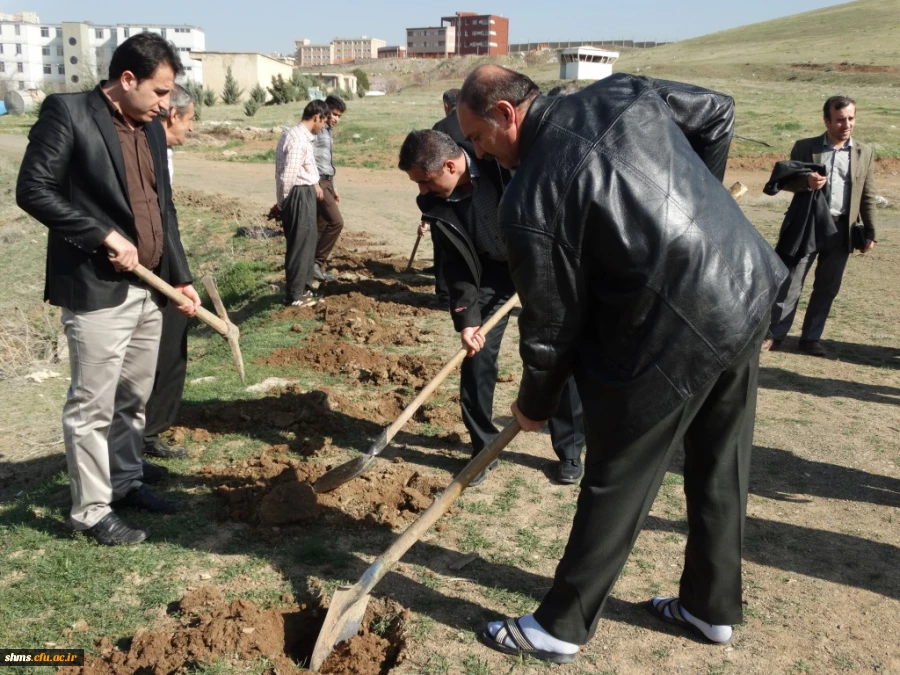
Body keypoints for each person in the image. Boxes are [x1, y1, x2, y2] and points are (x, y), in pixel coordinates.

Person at [456, 65, 787, 662]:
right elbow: (718, 110)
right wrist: (699, 215)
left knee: (615, 473)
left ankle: (559, 627)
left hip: (676, 329)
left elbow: (551, 331)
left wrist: (535, 406)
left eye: (477, 137)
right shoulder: (620, 91)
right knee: (720, 458)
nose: (479, 153)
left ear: (506, 114)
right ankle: (710, 610)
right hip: (741, 286)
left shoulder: (530, 196)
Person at [16, 33, 200, 546]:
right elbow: (33, 189)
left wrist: (179, 276)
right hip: (95, 287)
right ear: (126, 80)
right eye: (161, 92)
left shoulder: (153, 132)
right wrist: (101, 235)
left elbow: (163, 208)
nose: (167, 105)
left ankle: (124, 480)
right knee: (92, 404)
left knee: (133, 396)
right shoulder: (68, 113)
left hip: (149, 286)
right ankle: (91, 511)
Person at [399, 130, 586, 486]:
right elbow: (454, 265)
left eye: (425, 181)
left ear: (451, 166)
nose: (421, 191)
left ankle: (570, 449)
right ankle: (483, 450)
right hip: (493, 273)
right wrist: (467, 320)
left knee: (556, 355)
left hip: (541, 265)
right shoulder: (435, 203)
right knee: (476, 358)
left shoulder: (501, 162)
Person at [762, 96, 877, 357]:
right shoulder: (805, 147)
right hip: (807, 226)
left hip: (842, 230)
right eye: (840, 120)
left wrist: (871, 232)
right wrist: (806, 182)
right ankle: (774, 335)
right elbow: (784, 182)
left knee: (827, 286)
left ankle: (810, 339)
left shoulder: (864, 152)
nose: (846, 125)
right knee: (790, 283)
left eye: (851, 118)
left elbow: (867, 194)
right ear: (826, 120)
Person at [141, 84, 196, 468]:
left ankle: (148, 431)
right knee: (159, 347)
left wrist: (181, 275)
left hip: (161, 259)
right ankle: (145, 432)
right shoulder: (147, 142)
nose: (190, 129)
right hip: (139, 261)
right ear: (172, 114)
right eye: (190, 120)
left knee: (171, 338)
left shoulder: (163, 149)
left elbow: (168, 215)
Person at [275, 99, 329, 307]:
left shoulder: (301, 137)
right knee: (299, 245)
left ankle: (304, 288)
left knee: (307, 242)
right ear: (316, 117)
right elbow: (288, 175)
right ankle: (295, 296)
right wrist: (284, 202)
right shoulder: (297, 139)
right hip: (297, 194)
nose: (323, 126)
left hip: (303, 193)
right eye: (323, 122)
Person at [420, 88, 464, 310]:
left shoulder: (440, 128)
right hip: (469, 194)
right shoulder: (471, 124)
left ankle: (445, 296)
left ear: (447, 105)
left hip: (443, 196)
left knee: (443, 246)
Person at [312, 94, 346, 283]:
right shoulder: (316, 130)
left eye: (339, 116)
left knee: (322, 225)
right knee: (336, 222)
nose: (336, 119)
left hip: (327, 181)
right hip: (317, 182)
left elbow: (328, 162)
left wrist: (334, 187)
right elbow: (309, 159)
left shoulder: (327, 131)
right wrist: (315, 183)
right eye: (334, 114)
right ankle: (316, 263)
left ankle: (316, 270)